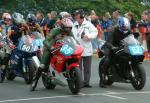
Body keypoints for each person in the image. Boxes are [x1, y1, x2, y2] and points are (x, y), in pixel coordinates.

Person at [31, 17, 74, 89]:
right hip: (51, 48)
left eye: (70, 28)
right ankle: (35, 81)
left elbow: (73, 40)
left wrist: (77, 45)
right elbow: (45, 41)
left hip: (63, 48)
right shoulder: (55, 31)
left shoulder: (69, 32)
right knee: (42, 66)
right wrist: (51, 47)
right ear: (62, 26)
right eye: (66, 28)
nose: (68, 29)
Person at [99, 17, 131, 88]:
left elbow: (131, 38)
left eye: (126, 28)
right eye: (123, 27)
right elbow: (108, 42)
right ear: (119, 25)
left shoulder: (128, 30)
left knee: (129, 56)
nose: (125, 29)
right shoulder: (112, 30)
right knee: (107, 60)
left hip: (121, 46)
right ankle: (102, 80)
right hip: (110, 46)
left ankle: (126, 72)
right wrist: (113, 47)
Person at [72, 9, 98, 88]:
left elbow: (95, 32)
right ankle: (79, 82)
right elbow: (72, 35)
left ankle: (86, 82)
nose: (75, 16)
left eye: (77, 15)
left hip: (86, 49)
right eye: (75, 15)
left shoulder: (88, 24)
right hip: (77, 49)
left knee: (87, 68)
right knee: (78, 67)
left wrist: (89, 36)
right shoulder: (74, 24)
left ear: (81, 15)